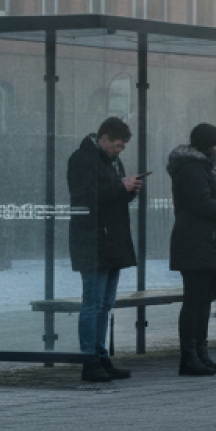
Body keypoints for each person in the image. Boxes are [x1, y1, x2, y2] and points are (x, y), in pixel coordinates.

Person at [66, 116, 142, 383]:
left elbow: (109, 195)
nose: (120, 151)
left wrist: (128, 189)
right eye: (118, 145)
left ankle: (100, 356)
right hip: (93, 239)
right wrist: (119, 186)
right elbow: (84, 197)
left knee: (105, 304)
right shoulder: (82, 159)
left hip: (111, 240)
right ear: (104, 138)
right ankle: (89, 359)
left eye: (123, 147)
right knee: (93, 303)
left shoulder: (111, 160)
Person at [168, 123, 216, 377]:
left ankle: (201, 353)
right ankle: (189, 357)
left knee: (203, 300)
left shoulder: (201, 168)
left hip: (206, 244)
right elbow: (202, 205)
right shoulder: (192, 169)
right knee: (195, 301)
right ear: (208, 145)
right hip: (196, 244)